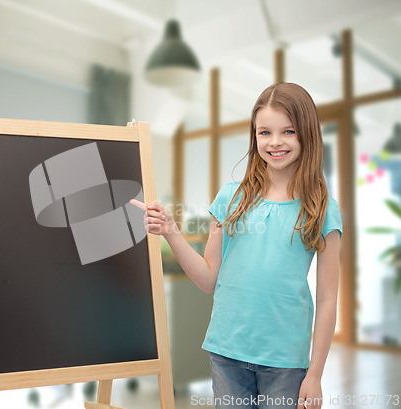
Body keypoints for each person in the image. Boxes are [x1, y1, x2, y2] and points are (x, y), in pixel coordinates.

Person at [141, 82, 343, 409]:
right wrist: (170, 232)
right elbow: (208, 279)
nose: (275, 142)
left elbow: (328, 298)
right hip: (227, 353)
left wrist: (315, 374)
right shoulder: (230, 198)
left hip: (286, 362)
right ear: (255, 136)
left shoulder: (321, 209)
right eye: (264, 132)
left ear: (307, 134)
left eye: (288, 131)